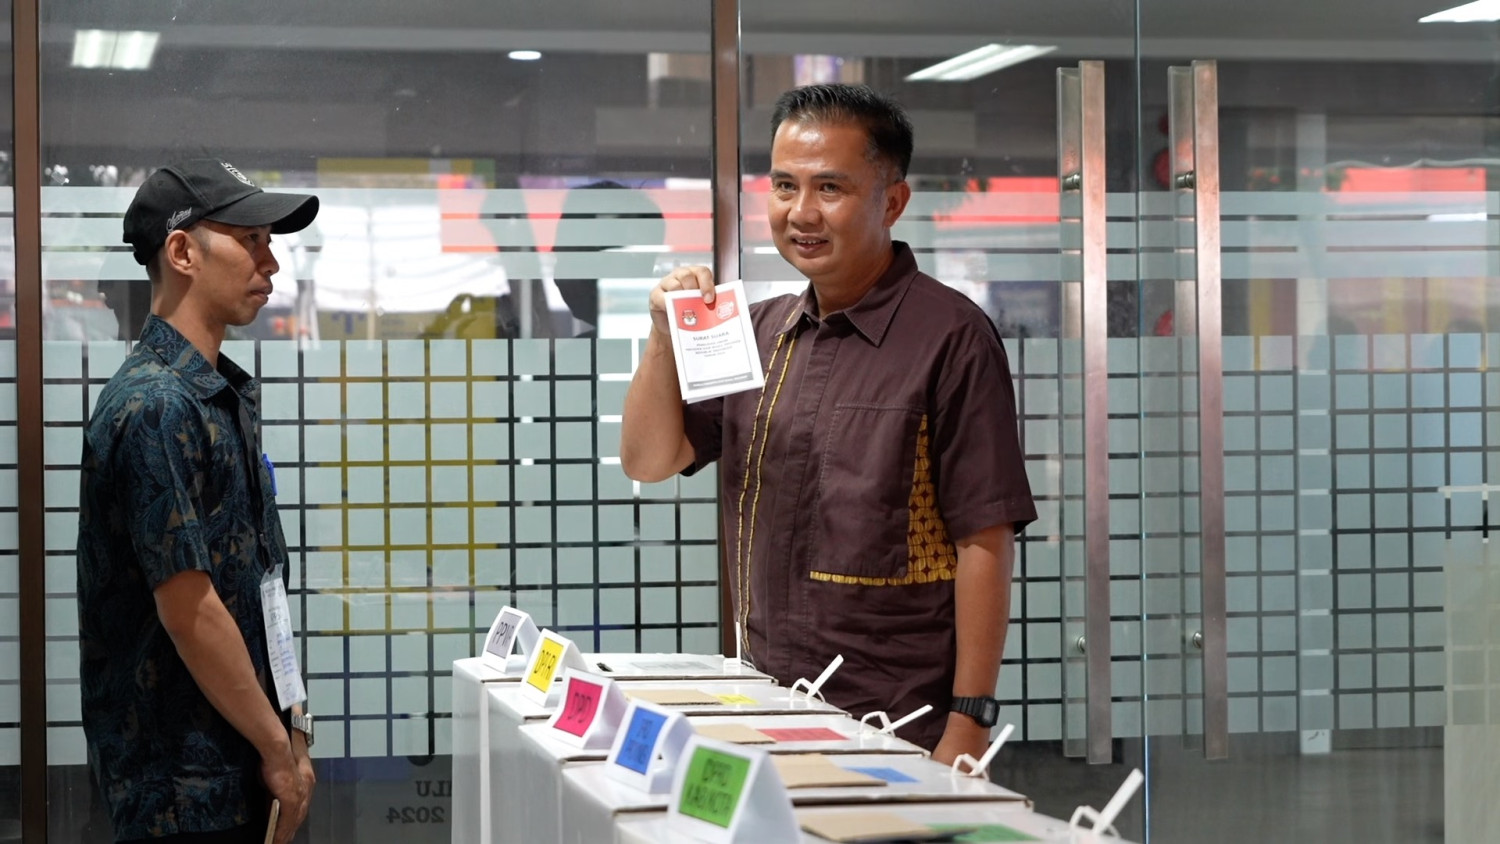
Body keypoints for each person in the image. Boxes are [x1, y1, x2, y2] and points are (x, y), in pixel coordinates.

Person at [621, 84, 1036, 763]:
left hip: (899, 721)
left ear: (892, 202)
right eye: (785, 186)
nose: (802, 212)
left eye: (830, 188)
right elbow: (649, 460)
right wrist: (663, 336)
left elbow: (983, 539)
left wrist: (970, 720)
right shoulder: (756, 332)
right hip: (762, 701)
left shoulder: (951, 336)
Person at [77, 158, 320, 844]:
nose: (271, 262)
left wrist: (292, 732)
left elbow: (258, 583)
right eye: (250, 240)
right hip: (182, 793)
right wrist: (278, 750)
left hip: (239, 770)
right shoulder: (155, 405)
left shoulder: (215, 395)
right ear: (182, 252)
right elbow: (189, 610)